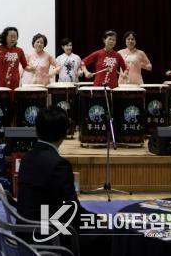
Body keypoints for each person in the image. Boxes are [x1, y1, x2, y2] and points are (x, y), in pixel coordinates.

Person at [18, 106, 111, 256]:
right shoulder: (59, 165)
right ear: (65, 133)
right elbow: (71, 211)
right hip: (49, 237)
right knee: (109, 235)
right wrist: (97, 220)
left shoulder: (26, 158)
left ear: (36, 130)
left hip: (26, 234)